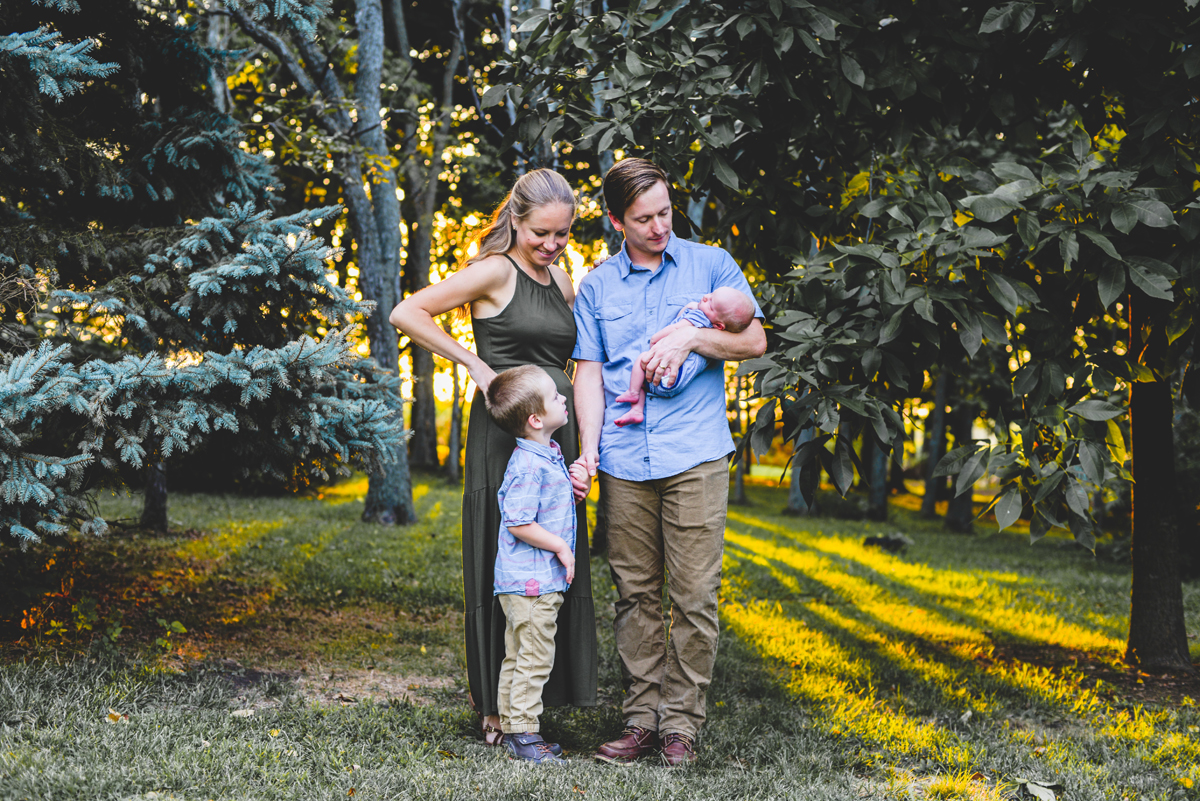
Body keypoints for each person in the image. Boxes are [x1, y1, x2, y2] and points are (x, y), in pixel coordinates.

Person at [388, 169, 597, 747]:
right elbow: (407, 312)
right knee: (502, 553)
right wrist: (474, 364)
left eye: (564, 234)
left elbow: (575, 351)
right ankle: (495, 706)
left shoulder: (559, 277)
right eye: (542, 234)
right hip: (505, 431)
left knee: (551, 559)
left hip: (555, 432)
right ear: (516, 221)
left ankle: (539, 698)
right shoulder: (496, 269)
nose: (553, 245)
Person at [572, 158, 766, 766]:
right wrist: (588, 449)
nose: (658, 227)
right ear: (614, 221)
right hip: (626, 460)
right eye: (643, 218)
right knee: (634, 592)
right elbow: (589, 375)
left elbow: (755, 340)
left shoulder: (711, 265)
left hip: (696, 455)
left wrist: (689, 338)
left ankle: (681, 724)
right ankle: (641, 720)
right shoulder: (598, 286)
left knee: (693, 594)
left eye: (664, 212)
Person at [484, 365, 590, 763]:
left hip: (528, 581)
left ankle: (514, 729)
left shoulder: (545, 455)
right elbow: (519, 521)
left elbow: (543, 507)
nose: (564, 398)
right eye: (555, 397)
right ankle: (526, 734)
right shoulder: (529, 465)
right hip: (532, 583)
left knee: (520, 654)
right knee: (533, 657)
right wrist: (561, 547)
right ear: (536, 419)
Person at [613, 286, 756, 427]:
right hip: (675, 382)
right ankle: (637, 411)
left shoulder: (699, 317)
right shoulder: (715, 334)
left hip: (666, 372)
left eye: (711, 304)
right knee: (645, 381)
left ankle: (633, 393)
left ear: (719, 325)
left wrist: (655, 339)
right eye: (710, 294)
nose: (706, 297)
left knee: (642, 360)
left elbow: (676, 328)